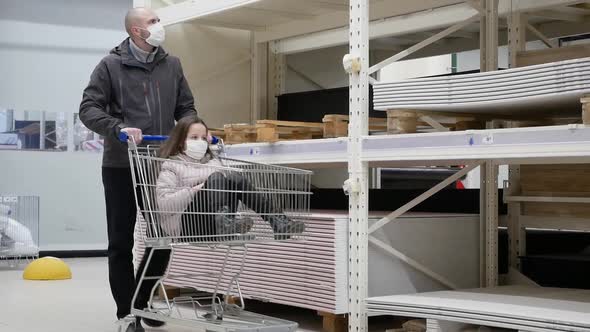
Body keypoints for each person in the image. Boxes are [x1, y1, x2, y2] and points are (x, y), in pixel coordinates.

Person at [79, 7, 196, 328]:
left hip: (160, 165)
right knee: (120, 242)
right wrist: (117, 127)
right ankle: (126, 313)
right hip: (120, 165)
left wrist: (193, 130)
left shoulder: (171, 65)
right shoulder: (110, 66)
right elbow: (88, 108)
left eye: (158, 20)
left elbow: (185, 106)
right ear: (135, 31)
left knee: (163, 237)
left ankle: (141, 302)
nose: (159, 26)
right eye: (152, 22)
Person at [155, 116, 306, 240]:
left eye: (203, 138)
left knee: (234, 177)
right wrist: (196, 189)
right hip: (188, 226)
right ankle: (224, 223)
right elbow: (164, 206)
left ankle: (276, 220)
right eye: (194, 137)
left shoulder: (213, 161)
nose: (200, 142)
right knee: (217, 177)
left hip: (215, 222)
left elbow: (233, 193)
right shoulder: (171, 165)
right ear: (181, 141)